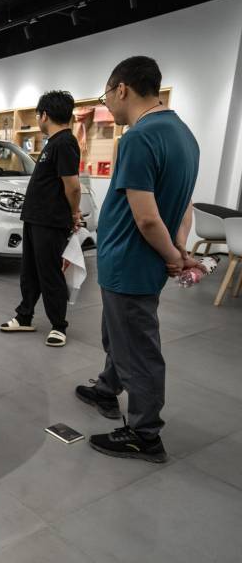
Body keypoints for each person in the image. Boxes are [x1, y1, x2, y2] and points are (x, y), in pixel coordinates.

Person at [75, 56, 199, 463]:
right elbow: (184, 207)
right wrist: (179, 246)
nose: (107, 104)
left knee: (138, 348)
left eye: (106, 95)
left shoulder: (138, 138)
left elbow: (146, 218)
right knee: (121, 334)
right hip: (141, 264)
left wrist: (172, 257)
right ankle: (108, 388)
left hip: (130, 262)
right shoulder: (184, 135)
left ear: (121, 89)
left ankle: (145, 435)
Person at [0, 91, 82, 347]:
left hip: (51, 221)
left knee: (49, 274)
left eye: (38, 115)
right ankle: (24, 316)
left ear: (44, 115)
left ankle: (59, 325)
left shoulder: (65, 143)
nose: (38, 119)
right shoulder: (54, 142)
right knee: (30, 271)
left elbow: (73, 186)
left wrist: (75, 213)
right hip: (36, 218)